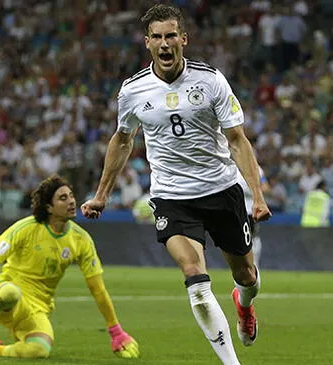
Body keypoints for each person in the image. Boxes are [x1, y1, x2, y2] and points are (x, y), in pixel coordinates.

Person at [81, 5, 271, 365]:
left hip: (221, 190)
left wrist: (257, 196)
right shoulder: (133, 90)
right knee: (194, 278)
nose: (165, 44)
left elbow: (237, 139)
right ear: (147, 43)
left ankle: (244, 305)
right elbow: (123, 140)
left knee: (246, 276)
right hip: (172, 197)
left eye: (171, 36)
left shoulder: (211, 80)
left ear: (183, 39)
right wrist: (102, 194)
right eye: (157, 37)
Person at [0, 175, 139, 359]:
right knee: (11, 292)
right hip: (6, 297)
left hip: (37, 309)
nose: (72, 201)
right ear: (49, 207)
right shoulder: (26, 228)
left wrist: (116, 331)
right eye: (63, 198)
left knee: (39, 350)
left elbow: (98, 289)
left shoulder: (81, 240)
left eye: (71, 195)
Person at [238, 166, 270, 267]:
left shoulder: (256, 168)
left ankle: (255, 263)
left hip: (251, 209)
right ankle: (243, 264)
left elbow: (265, 187)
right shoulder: (230, 166)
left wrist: (252, 190)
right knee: (239, 238)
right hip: (236, 209)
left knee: (253, 236)